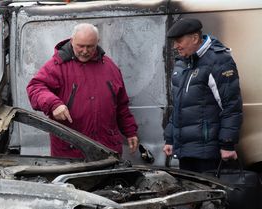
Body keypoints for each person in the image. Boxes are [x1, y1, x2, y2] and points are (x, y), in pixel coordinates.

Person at [27, 23, 138, 158]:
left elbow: (121, 106)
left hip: (107, 151)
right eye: (81, 46)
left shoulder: (110, 67)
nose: (85, 51)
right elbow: (35, 88)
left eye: (90, 46)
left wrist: (130, 132)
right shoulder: (57, 65)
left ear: (97, 42)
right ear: (72, 41)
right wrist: (53, 104)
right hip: (71, 152)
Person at [163, 18, 243, 173]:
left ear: (194, 38)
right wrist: (170, 138)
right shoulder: (182, 63)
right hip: (185, 151)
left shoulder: (219, 60)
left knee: (211, 196)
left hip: (209, 153)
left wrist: (227, 144)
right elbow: (179, 105)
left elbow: (231, 105)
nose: (175, 46)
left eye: (179, 41)